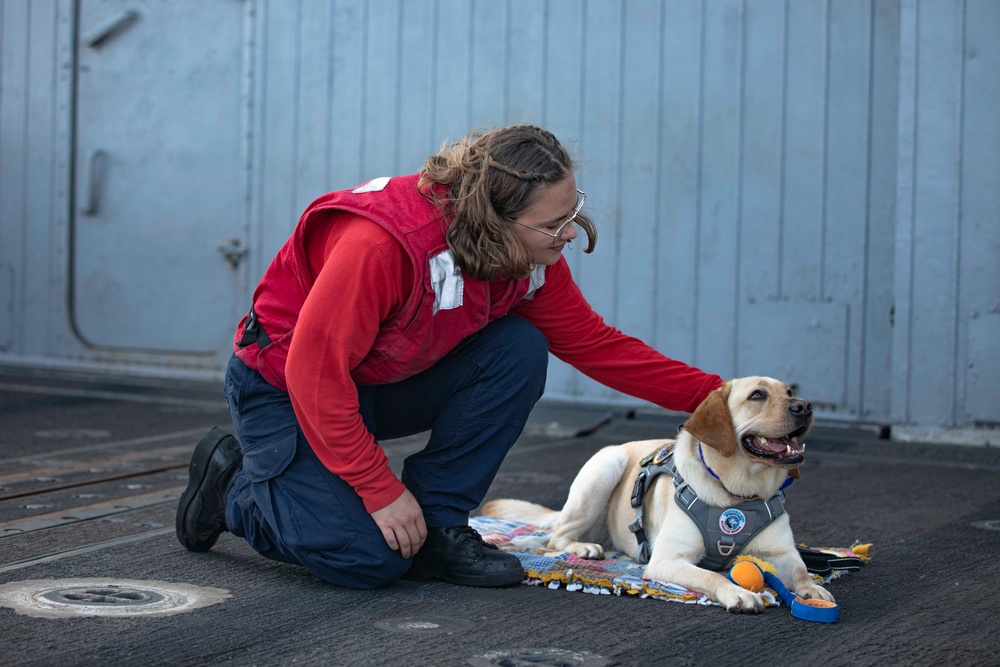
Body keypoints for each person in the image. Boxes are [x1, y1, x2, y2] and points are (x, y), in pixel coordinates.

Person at [176, 124, 723, 589]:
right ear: (495, 219)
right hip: (285, 391)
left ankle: (438, 525)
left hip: (377, 382)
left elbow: (595, 345)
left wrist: (726, 402)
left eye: (573, 209)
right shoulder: (382, 245)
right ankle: (230, 488)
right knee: (367, 558)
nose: (570, 233)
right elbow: (314, 376)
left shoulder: (527, 255)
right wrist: (379, 489)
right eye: (552, 223)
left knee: (518, 347)